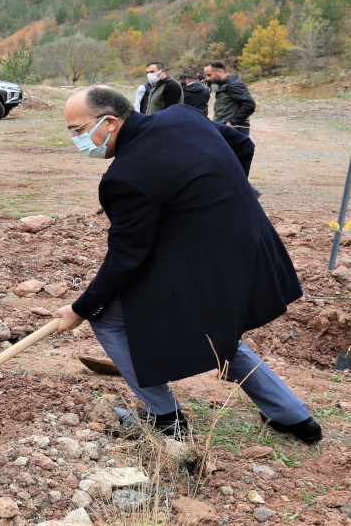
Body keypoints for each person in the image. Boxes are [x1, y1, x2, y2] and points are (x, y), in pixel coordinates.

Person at [52, 86, 321, 444]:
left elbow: (126, 258)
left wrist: (81, 308)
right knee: (214, 328)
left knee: (109, 318)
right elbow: (243, 146)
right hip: (250, 243)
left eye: (78, 130)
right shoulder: (182, 116)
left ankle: (166, 419)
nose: (77, 139)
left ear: (110, 122)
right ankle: (295, 418)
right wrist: (220, 203)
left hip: (207, 263)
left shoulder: (125, 177)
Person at [204, 60, 255, 136]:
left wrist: (232, 122)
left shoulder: (234, 85)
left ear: (220, 71)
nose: (207, 78)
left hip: (235, 131)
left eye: (209, 75)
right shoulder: (222, 84)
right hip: (224, 129)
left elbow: (249, 104)